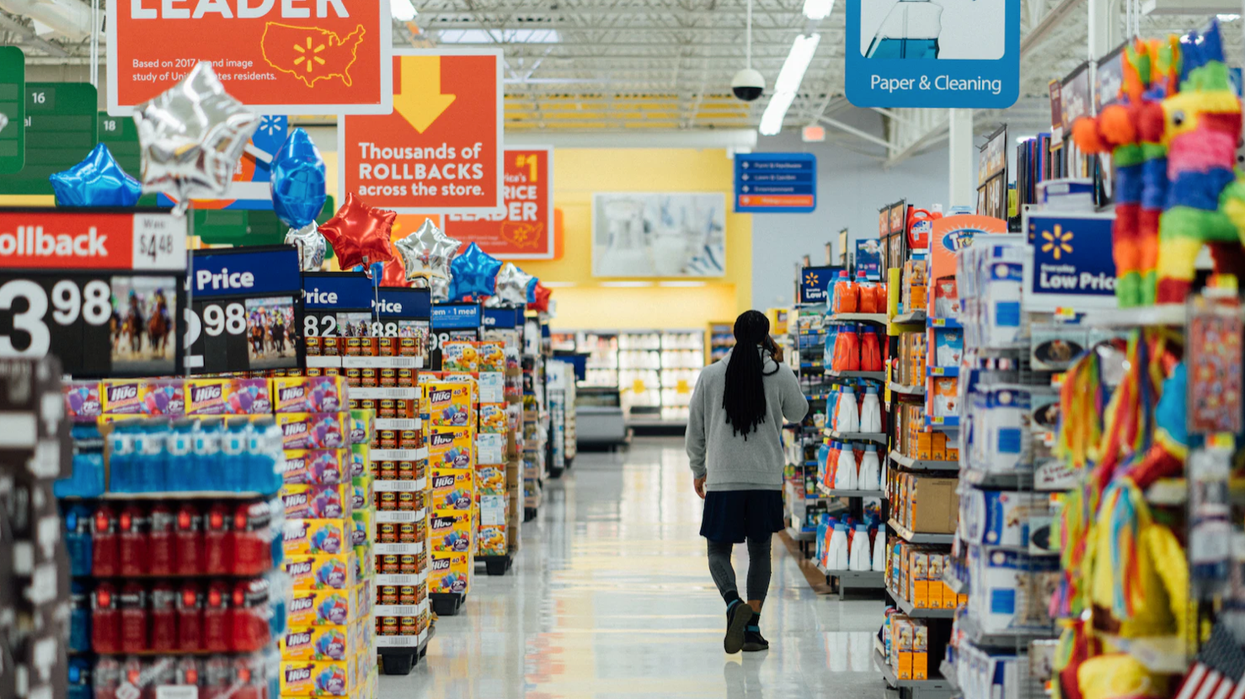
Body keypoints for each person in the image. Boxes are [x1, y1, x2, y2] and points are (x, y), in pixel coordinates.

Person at [686, 310, 809, 654]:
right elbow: (799, 412)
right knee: (759, 551)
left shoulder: (711, 375)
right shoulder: (778, 372)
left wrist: (699, 469)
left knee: (717, 551)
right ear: (766, 337)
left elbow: (694, 430)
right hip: (765, 479)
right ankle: (752, 628)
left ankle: (732, 603)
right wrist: (783, 366)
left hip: (723, 478)